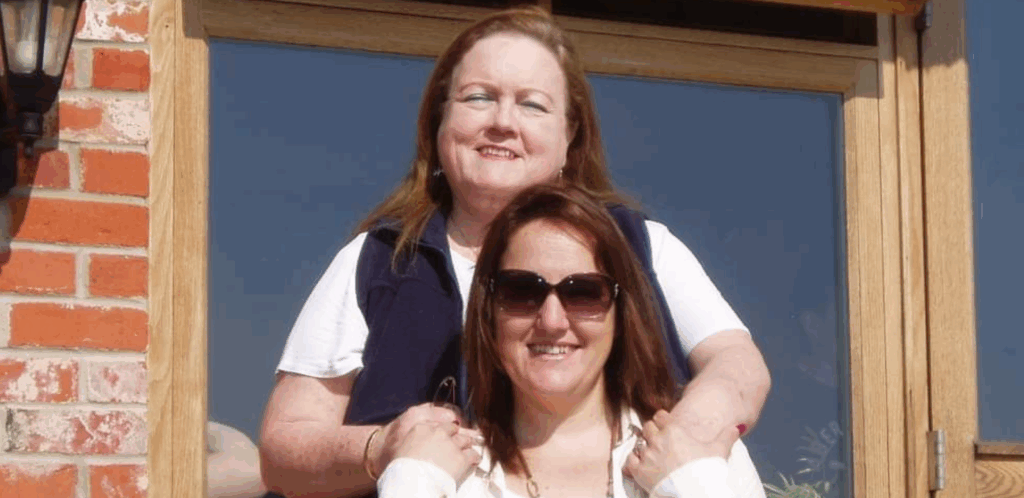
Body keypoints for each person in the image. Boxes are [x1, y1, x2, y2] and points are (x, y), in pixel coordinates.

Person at [259, 7, 770, 498]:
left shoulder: (638, 245)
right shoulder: (380, 261)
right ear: (438, 124)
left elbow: (737, 365)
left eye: (532, 104)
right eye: (479, 98)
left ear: (570, 136)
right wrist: (386, 447)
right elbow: (284, 449)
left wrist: (688, 442)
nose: (503, 122)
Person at [377, 185, 765, 498]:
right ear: (488, 311)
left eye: (583, 293)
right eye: (522, 290)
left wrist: (691, 487)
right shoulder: (444, 476)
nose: (552, 320)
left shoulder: (701, 457)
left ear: (620, 311)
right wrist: (410, 482)